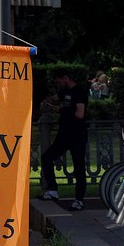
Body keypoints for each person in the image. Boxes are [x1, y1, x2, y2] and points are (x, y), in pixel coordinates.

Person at [39, 74, 88, 210]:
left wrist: (60, 110)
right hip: (64, 134)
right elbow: (54, 99)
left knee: (79, 167)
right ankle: (52, 190)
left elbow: (80, 113)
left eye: (59, 79)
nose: (58, 82)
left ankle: (79, 200)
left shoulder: (79, 92)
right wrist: (46, 102)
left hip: (77, 134)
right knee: (46, 157)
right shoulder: (64, 91)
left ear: (66, 78)